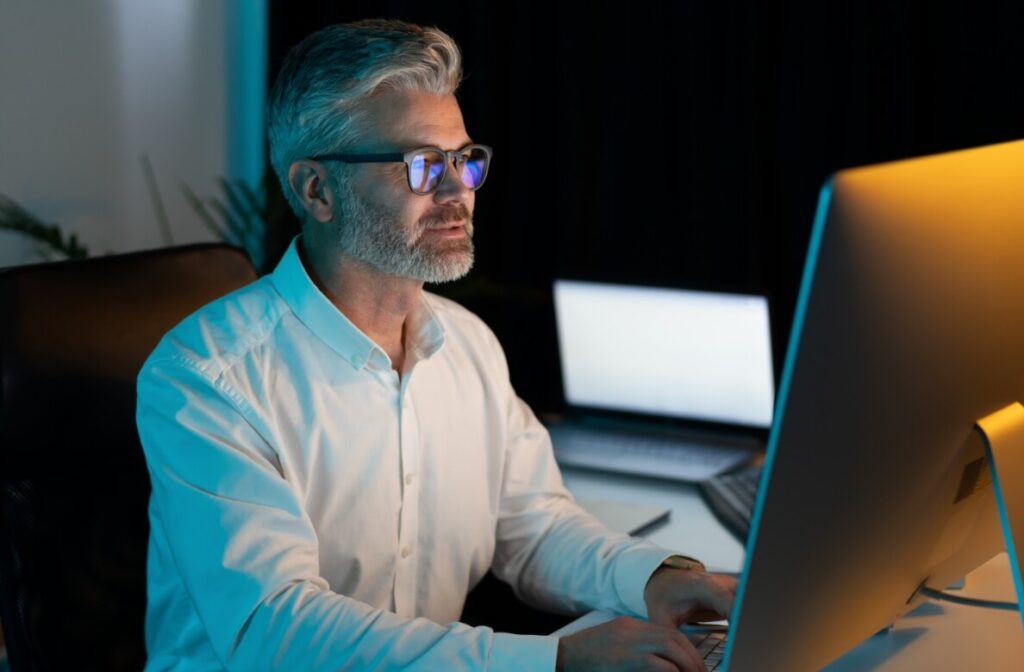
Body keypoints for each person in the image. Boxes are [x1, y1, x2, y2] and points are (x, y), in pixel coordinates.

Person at [136, 18, 736, 671]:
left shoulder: (469, 345)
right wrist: (554, 662)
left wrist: (656, 580)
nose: (459, 193)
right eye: (422, 166)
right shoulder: (206, 377)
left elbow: (532, 525)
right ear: (317, 190)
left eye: (464, 159)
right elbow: (277, 631)